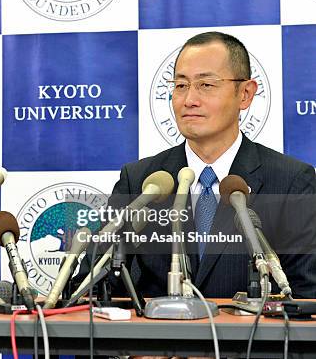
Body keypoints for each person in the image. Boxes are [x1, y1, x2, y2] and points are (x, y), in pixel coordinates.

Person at [81, 32, 316, 299]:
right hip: (156, 339)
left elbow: (307, 296)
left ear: (245, 94)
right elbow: (93, 286)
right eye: (181, 86)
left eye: (206, 85)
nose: (189, 99)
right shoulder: (141, 182)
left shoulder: (291, 181)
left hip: (250, 339)